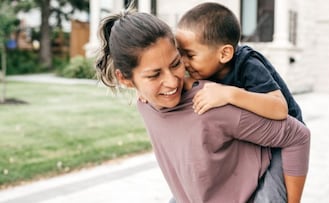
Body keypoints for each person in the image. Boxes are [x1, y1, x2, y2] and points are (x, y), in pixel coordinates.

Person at [95, 10, 310, 203]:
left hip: (280, 129)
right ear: (125, 80)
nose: (173, 81)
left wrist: (228, 93)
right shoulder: (146, 102)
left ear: (224, 53)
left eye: (176, 63)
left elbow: (288, 123)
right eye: (154, 74)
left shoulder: (226, 88)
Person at [175, 2, 305, 202]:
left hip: (282, 140)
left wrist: (229, 94)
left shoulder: (248, 64)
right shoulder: (203, 66)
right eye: (180, 54)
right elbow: (183, 84)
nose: (183, 62)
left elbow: (279, 108)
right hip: (251, 136)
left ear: (224, 54)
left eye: (190, 55)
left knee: (268, 197)